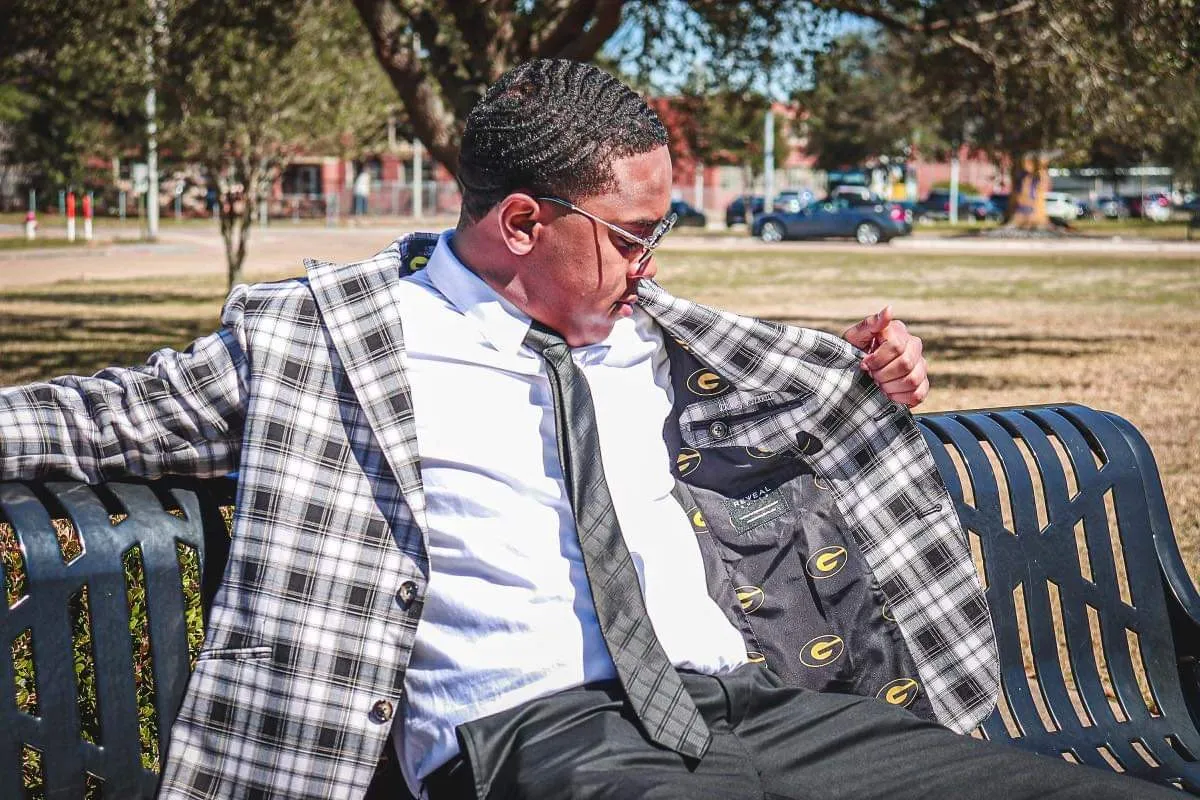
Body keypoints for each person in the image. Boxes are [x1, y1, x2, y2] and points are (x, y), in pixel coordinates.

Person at [0, 60, 1174, 800]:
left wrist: (880, 362)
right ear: (522, 220)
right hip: (539, 736)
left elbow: (818, 393)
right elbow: (98, 415)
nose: (652, 259)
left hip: (755, 706)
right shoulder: (324, 343)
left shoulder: (665, 336)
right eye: (633, 232)